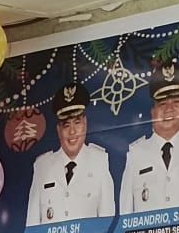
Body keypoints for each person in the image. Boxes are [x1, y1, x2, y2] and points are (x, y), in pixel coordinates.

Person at [119, 61, 179, 213]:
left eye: (176, 102)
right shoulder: (136, 154)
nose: (169, 109)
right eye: (162, 104)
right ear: (153, 111)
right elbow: (126, 215)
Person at [25, 82, 115, 225]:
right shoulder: (42, 166)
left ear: (85, 124)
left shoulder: (99, 161)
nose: (72, 132)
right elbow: (32, 225)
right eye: (66, 125)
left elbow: (107, 220)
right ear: (58, 130)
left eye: (77, 123)